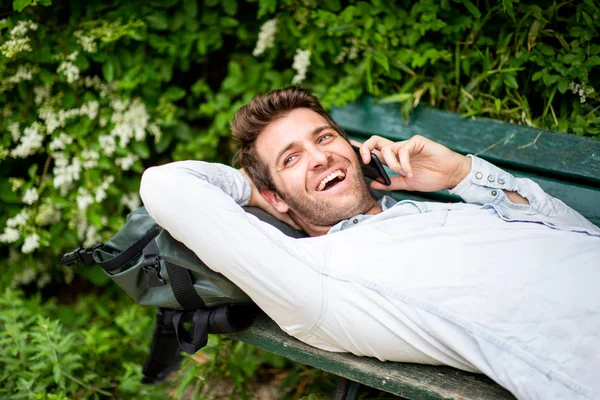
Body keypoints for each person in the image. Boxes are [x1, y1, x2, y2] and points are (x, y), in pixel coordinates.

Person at [140, 87, 600, 400]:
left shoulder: (441, 209)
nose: (320, 157)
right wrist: (252, 186)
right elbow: (166, 184)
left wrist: (461, 174)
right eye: (292, 157)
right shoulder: (313, 277)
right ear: (274, 197)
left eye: (325, 138)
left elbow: (577, 232)